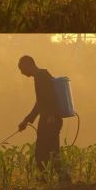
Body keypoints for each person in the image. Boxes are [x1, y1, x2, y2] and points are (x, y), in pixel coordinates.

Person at [17, 55, 69, 183]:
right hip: (49, 119)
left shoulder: (41, 77)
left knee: (42, 152)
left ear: (29, 65)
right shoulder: (41, 76)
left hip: (49, 120)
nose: (22, 72)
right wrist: (27, 120)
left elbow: (51, 97)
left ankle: (49, 180)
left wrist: (51, 116)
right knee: (50, 152)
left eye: (22, 69)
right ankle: (61, 179)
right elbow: (40, 103)